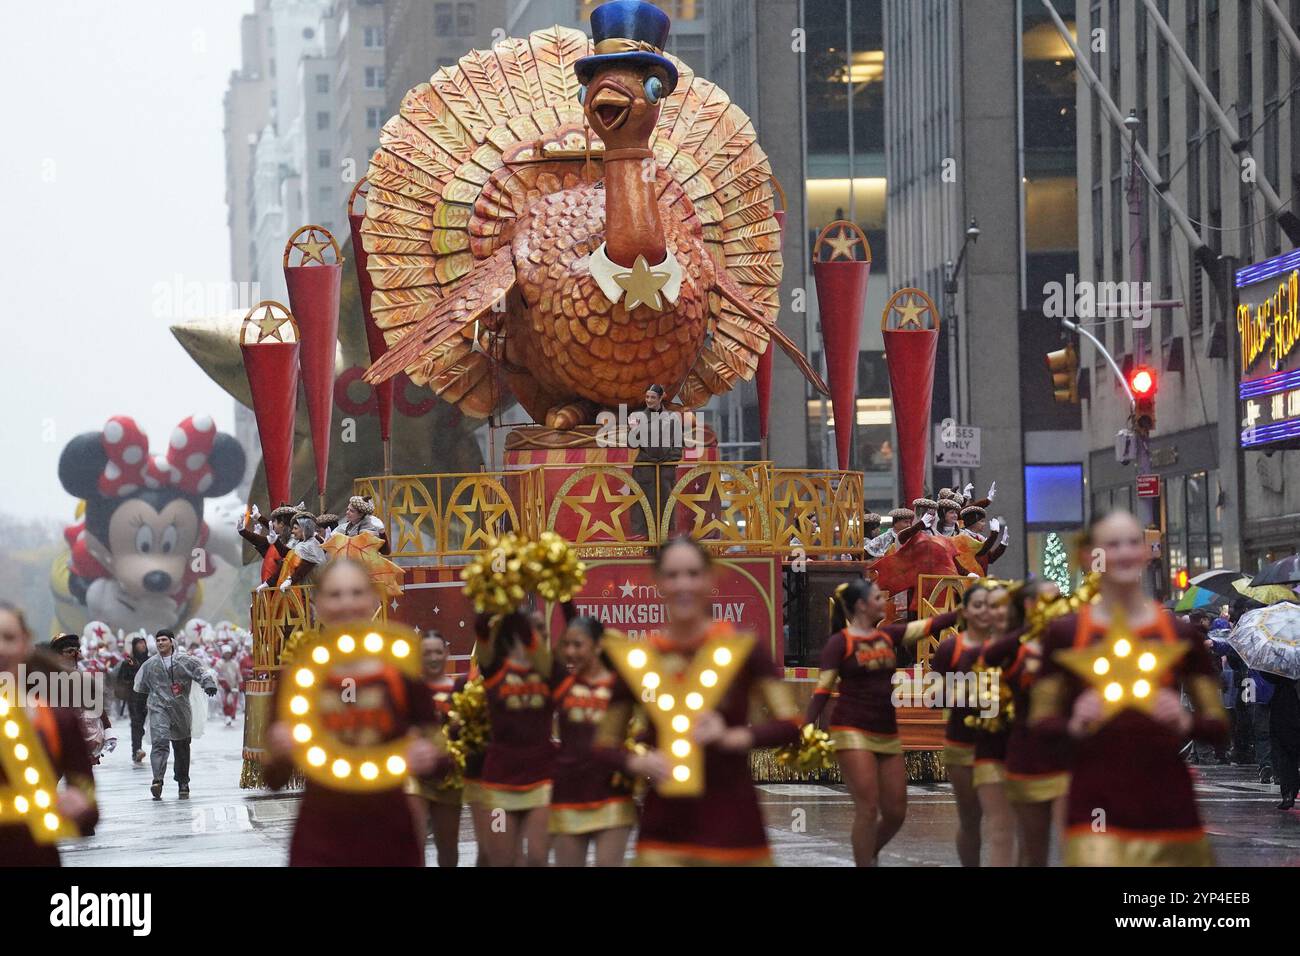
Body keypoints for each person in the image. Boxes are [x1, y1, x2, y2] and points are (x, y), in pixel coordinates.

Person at [1029, 510, 1227, 865]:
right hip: (1095, 796)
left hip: (1168, 798)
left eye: (1132, 542)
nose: (1123, 552)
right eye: (1112, 544)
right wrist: (1074, 723)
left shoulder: (1181, 636)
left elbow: (1220, 727)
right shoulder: (1064, 634)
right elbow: (1040, 724)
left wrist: (1185, 722)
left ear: (1146, 552)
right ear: (1090, 556)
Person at [595, 537, 801, 865]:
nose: (683, 585)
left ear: (710, 578)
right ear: (658, 583)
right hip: (663, 828)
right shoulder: (640, 659)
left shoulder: (744, 650)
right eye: (673, 576)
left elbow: (791, 726)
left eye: (692, 574)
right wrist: (637, 762)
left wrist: (736, 736)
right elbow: (604, 744)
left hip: (733, 825)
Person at [264, 558, 441, 865]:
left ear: (374, 599)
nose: (347, 604)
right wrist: (280, 752)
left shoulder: (402, 672)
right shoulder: (299, 678)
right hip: (320, 839)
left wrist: (429, 756)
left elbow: (443, 763)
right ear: (317, 604)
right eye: (335, 594)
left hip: (391, 836)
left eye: (356, 592)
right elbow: (274, 779)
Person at [805, 577, 958, 866]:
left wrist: (964, 610)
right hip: (851, 729)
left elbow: (929, 627)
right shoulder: (840, 643)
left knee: (896, 812)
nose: (883, 603)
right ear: (862, 606)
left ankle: (867, 851)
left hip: (886, 731)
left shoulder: (888, 636)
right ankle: (866, 861)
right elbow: (823, 689)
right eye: (878, 598)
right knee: (867, 808)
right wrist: (807, 726)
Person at [979, 579, 1070, 867]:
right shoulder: (1013, 645)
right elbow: (988, 657)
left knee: (1078, 842)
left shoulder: (1073, 641)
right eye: (1046, 600)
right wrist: (1030, 630)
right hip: (1026, 753)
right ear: (1028, 606)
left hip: (1070, 754)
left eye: (1058, 599)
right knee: (1032, 849)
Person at [0, 602, 99, 866]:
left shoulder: (58, 720)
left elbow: (89, 806)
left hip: (36, 857)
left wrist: (79, 805)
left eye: (8, 638)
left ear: (24, 643)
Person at [473, 607, 564, 866]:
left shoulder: (549, 672)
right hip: (500, 781)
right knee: (503, 860)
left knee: (537, 857)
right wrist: (504, 593)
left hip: (541, 778)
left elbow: (572, 624)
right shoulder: (494, 670)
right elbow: (480, 625)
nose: (538, 633)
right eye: (532, 627)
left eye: (542, 628)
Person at [550, 615, 636, 866]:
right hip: (568, 791)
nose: (570, 652)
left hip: (611, 792)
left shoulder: (620, 686)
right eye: (566, 645)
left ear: (598, 646)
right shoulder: (561, 683)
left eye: (578, 645)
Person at [926, 580, 996, 866]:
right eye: (977, 605)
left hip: (999, 746)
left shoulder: (1009, 645)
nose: (984, 611)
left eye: (991, 606)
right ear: (965, 612)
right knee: (971, 819)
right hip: (961, 744)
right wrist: (966, 692)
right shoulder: (949, 648)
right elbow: (934, 698)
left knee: (1002, 818)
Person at [133, 628, 217, 800]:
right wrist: (139, 707)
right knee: (160, 742)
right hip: (158, 709)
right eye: (158, 640)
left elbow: (200, 672)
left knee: (181, 746)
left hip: (181, 709)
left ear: (172, 641)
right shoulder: (149, 665)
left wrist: (208, 684)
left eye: (164, 639)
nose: (160, 643)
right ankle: (157, 780)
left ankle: (183, 781)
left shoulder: (185, 661)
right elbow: (140, 688)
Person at [406, 630, 465, 867]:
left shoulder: (460, 691)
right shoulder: (409, 690)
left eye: (438, 652)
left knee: (448, 846)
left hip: (450, 777)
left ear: (446, 654)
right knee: (414, 842)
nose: (432, 657)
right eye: (426, 652)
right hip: (414, 777)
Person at [628, 384, 686, 540]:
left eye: (653, 397)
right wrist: (634, 430)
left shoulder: (672, 418)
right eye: (647, 397)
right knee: (643, 508)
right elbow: (632, 444)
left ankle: (663, 543)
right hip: (645, 470)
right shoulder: (638, 418)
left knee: (665, 507)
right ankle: (647, 544)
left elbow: (678, 446)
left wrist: (668, 462)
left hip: (664, 470)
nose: (649, 400)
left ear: (661, 398)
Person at [114, 635, 151, 763]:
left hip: (150, 698)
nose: (142, 646)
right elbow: (120, 680)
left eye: (143, 643)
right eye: (139, 644)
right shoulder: (128, 663)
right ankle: (136, 750)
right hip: (134, 698)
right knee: (136, 724)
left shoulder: (151, 661)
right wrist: (130, 682)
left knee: (152, 724)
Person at [214, 646, 242, 727]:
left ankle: (231, 714)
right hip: (223, 686)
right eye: (226, 653)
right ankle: (227, 716)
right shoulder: (219, 663)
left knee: (233, 701)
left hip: (233, 685)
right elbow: (217, 674)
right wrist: (221, 683)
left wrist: (239, 682)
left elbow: (238, 674)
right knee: (225, 702)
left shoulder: (234, 663)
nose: (228, 655)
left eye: (229, 653)